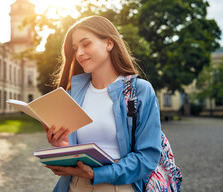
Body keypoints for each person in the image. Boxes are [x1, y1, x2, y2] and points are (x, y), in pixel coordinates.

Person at [44, 16, 161, 192]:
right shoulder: (73, 95)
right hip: (75, 185)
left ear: (109, 43)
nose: (79, 53)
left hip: (118, 187)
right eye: (75, 48)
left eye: (86, 44)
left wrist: (97, 174)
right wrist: (63, 148)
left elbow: (147, 157)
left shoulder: (140, 91)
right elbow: (79, 150)